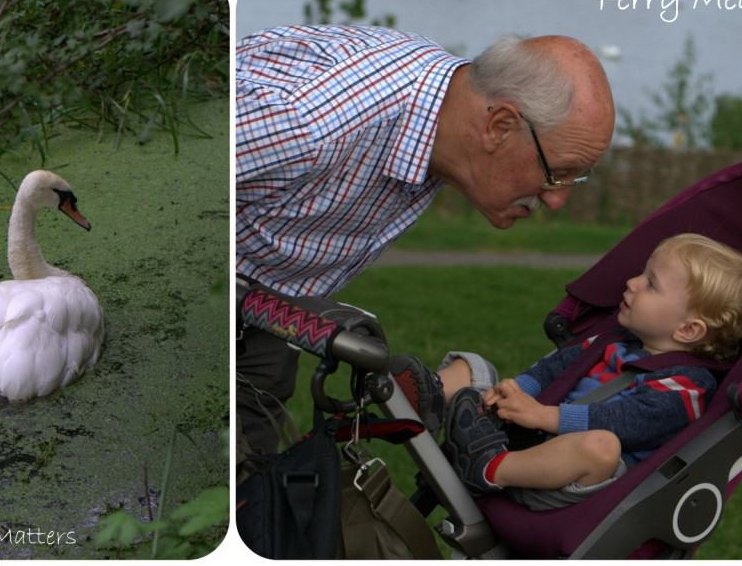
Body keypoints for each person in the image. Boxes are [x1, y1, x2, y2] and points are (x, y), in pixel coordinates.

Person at [235, 24, 616, 461]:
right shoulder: (308, 123)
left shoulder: (448, 120)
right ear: (500, 125)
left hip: (267, 312)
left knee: (243, 495)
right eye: (559, 172)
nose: (557, 199)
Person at [399, 233, 742, 510]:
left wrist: (544, 415)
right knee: (474, 367)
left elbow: (624, 421)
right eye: (642, 274)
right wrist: (515, 391)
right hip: (529, 435)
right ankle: (417, 404)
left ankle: (487, 468)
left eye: (650, 284)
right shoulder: (613, 341)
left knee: (601, 447)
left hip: (573, 483)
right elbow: (553, 367)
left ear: (688, 329)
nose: (632, 283)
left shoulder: (687, 388)